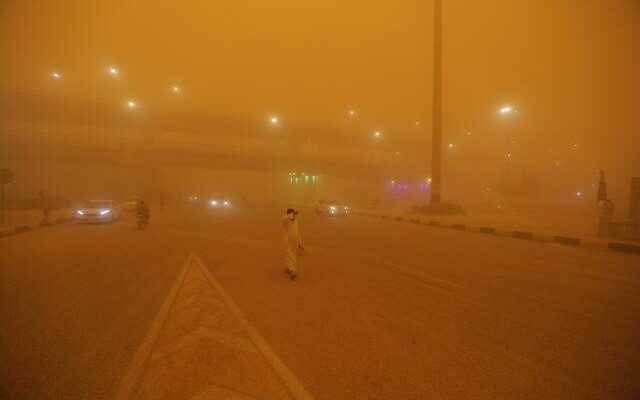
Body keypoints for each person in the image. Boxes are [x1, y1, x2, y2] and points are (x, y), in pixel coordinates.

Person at [282, 208, 304, 280]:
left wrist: (300, 243)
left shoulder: (296, 221)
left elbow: (298, 232)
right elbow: (285, 218)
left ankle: (294, 272)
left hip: (294, 242)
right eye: (292, 214)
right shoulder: (285, 220)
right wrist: (291, 215)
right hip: (287, 241)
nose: (294, 216)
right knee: (287, 254)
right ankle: (289, 268)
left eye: (294, 215)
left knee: (292, 256)